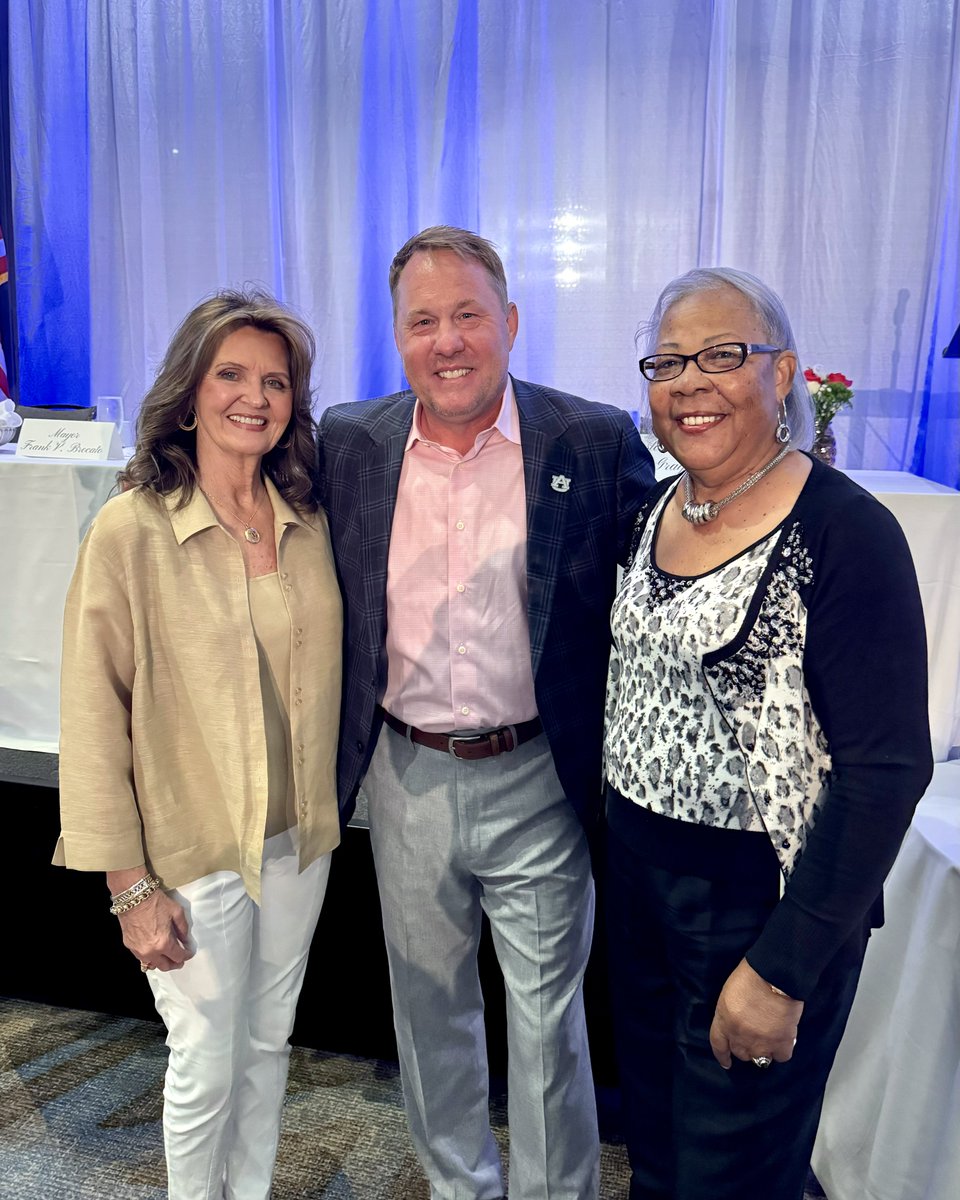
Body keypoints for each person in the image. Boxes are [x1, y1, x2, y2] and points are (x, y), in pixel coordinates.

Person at [317, 225, 654, 1200]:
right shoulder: (352, 440)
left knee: (548, 1025)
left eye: (468, 314)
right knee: (429, 1014)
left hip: (536, 774)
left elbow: (664, 558)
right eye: (424, 321)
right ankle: (462, 1188)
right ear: (396, 337)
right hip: (406, 772)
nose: (448, 340)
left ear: (508, 322)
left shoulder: (587, 439)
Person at [603, 266, 934, 1200]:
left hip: (758, 908)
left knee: (734, 1172)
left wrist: (783, 969)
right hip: (641, 895)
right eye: (668, 362)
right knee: (660, 1153)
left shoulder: (843, 534)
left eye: (722, 355)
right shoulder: (650, 514)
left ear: (782, 373)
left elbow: (886, 769)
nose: (689, 382)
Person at [54, 289, 342, 1200]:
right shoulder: (131, 529)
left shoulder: (306, 520)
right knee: (204, 1064)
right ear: (188, 394)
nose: (254, 397)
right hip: (192, 849)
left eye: (275, 381)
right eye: (230, 375)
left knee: (266, 1048)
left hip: (299, 839)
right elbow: (91, 714)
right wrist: (127, 887)